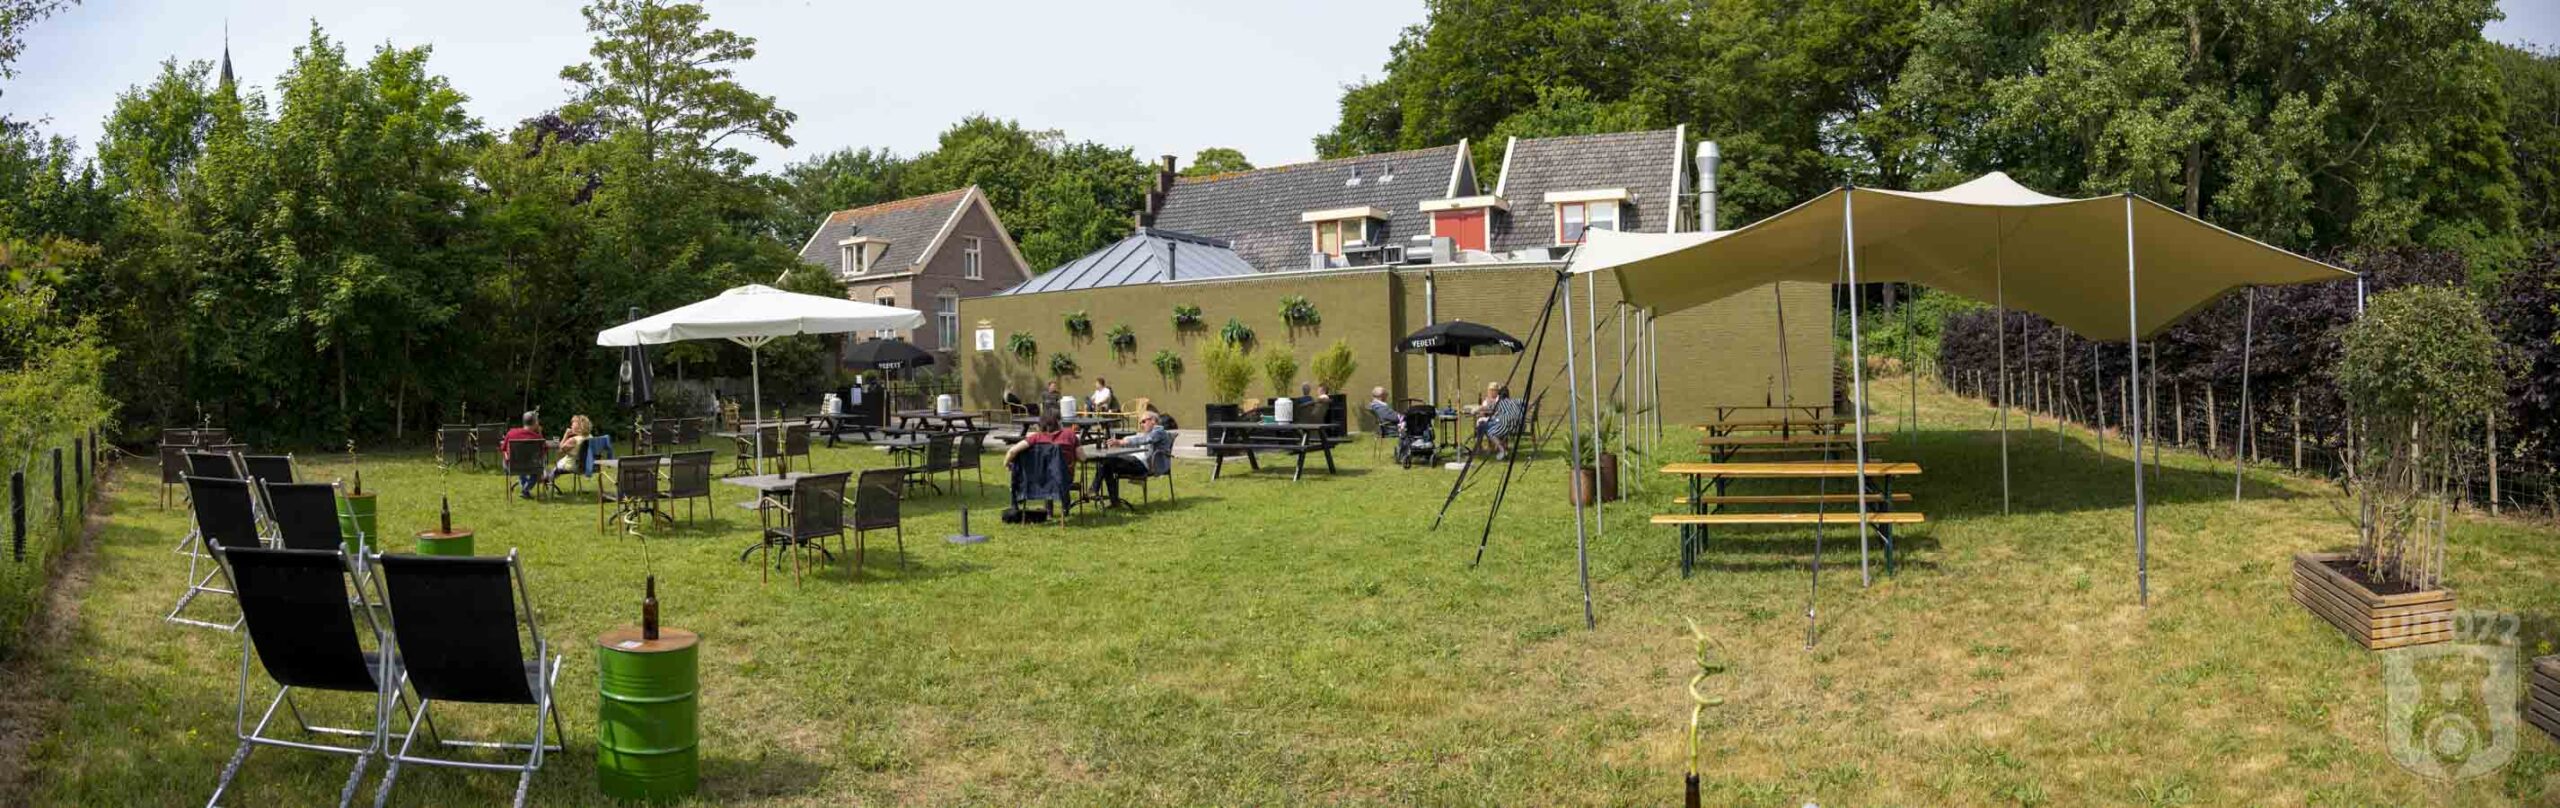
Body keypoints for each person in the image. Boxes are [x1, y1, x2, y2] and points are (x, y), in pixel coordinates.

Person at [1091, 410, 1168, 503]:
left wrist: (1122, 442)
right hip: (1136, 461)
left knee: (1106, 462)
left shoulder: (1159, 431)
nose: (1141, 425)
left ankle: (1095, 491)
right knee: (1106, 463)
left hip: (1144, 466)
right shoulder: (1149, 432)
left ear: (1153, 421)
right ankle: (1111, 499)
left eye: (1143, 421)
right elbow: (1137, 439)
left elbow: (1146, 439)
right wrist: (1120, 442)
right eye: (1140, 423)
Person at [500, 411, 545, 498]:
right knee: (536, 470)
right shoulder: (537, 437)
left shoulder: (511, 433)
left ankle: (525, 490)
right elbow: (543, 451)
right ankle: (525, 489)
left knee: (519, 462)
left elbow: (503, 448)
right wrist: (539, 432)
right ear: (535, 423)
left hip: (511, 466)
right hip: (531, 466)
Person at [543, 414, 593, 490]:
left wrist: (566, 435)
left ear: (578, 427)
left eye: (572, 424)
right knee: (555, 468)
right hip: (586, 465)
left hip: (572, 466)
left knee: (555, 468)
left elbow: (559, 451)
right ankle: (548, 478)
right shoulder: (590, 437)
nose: (571, 426)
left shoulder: (573, 440)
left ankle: (547, 479)